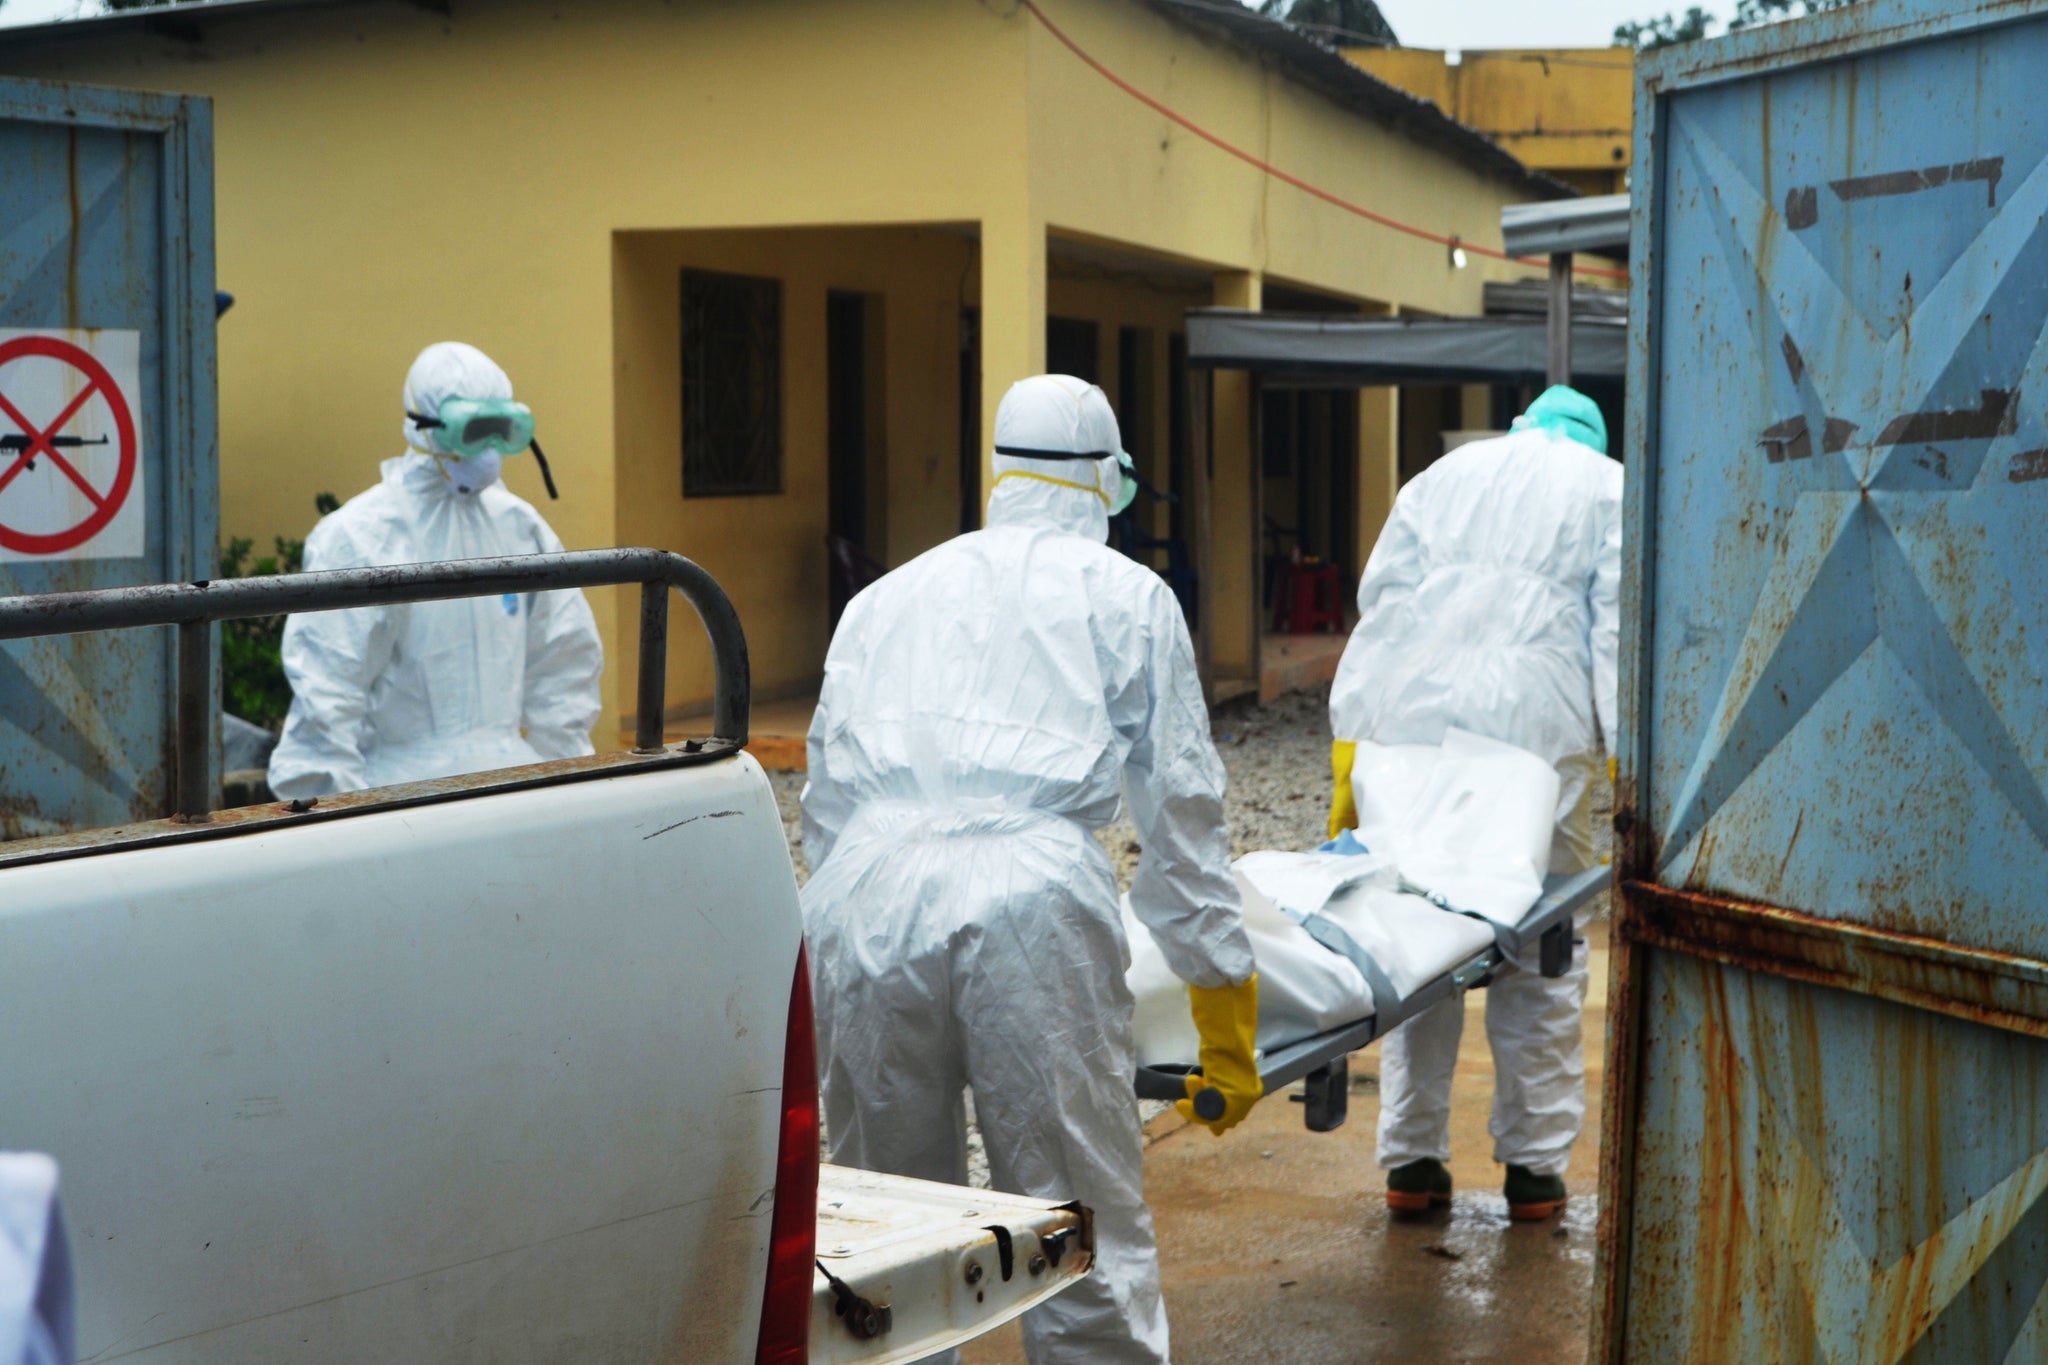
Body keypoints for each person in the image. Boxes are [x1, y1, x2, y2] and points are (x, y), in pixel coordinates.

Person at [801, 374, 1261, 1364]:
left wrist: (823, 945)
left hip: (862, 899)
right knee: (1066, 1203)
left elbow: (824, 798)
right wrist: (1219, 983)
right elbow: (1177, 805)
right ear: (1102, 477)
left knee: (883, 1223)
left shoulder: (884, 597)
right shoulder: (1126, 596)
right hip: (1029, 897)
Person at [1327, 384, 1621, 1222]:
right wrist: (1627, 759)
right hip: (1538, 746)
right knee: (1542, 950)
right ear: (1588, 437)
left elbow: (1379, 612)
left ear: (1524, 424)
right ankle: (1534, 1171)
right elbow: (1614, 632)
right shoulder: (1606, 488)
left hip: (1415, 738)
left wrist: (1352, 745)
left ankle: (1411, 1165)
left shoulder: (1441, 476)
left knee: (1427, 943)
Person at [267, 342, 602, 798]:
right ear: (424, 427)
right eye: (473, 430)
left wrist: (563, 783)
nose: (489, 451)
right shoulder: (359, 537)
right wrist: (338, 823)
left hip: (514, 793)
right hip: (400, 802)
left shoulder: (520, 529)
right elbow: (326, 700)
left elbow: (565, 664)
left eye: (501, 430)